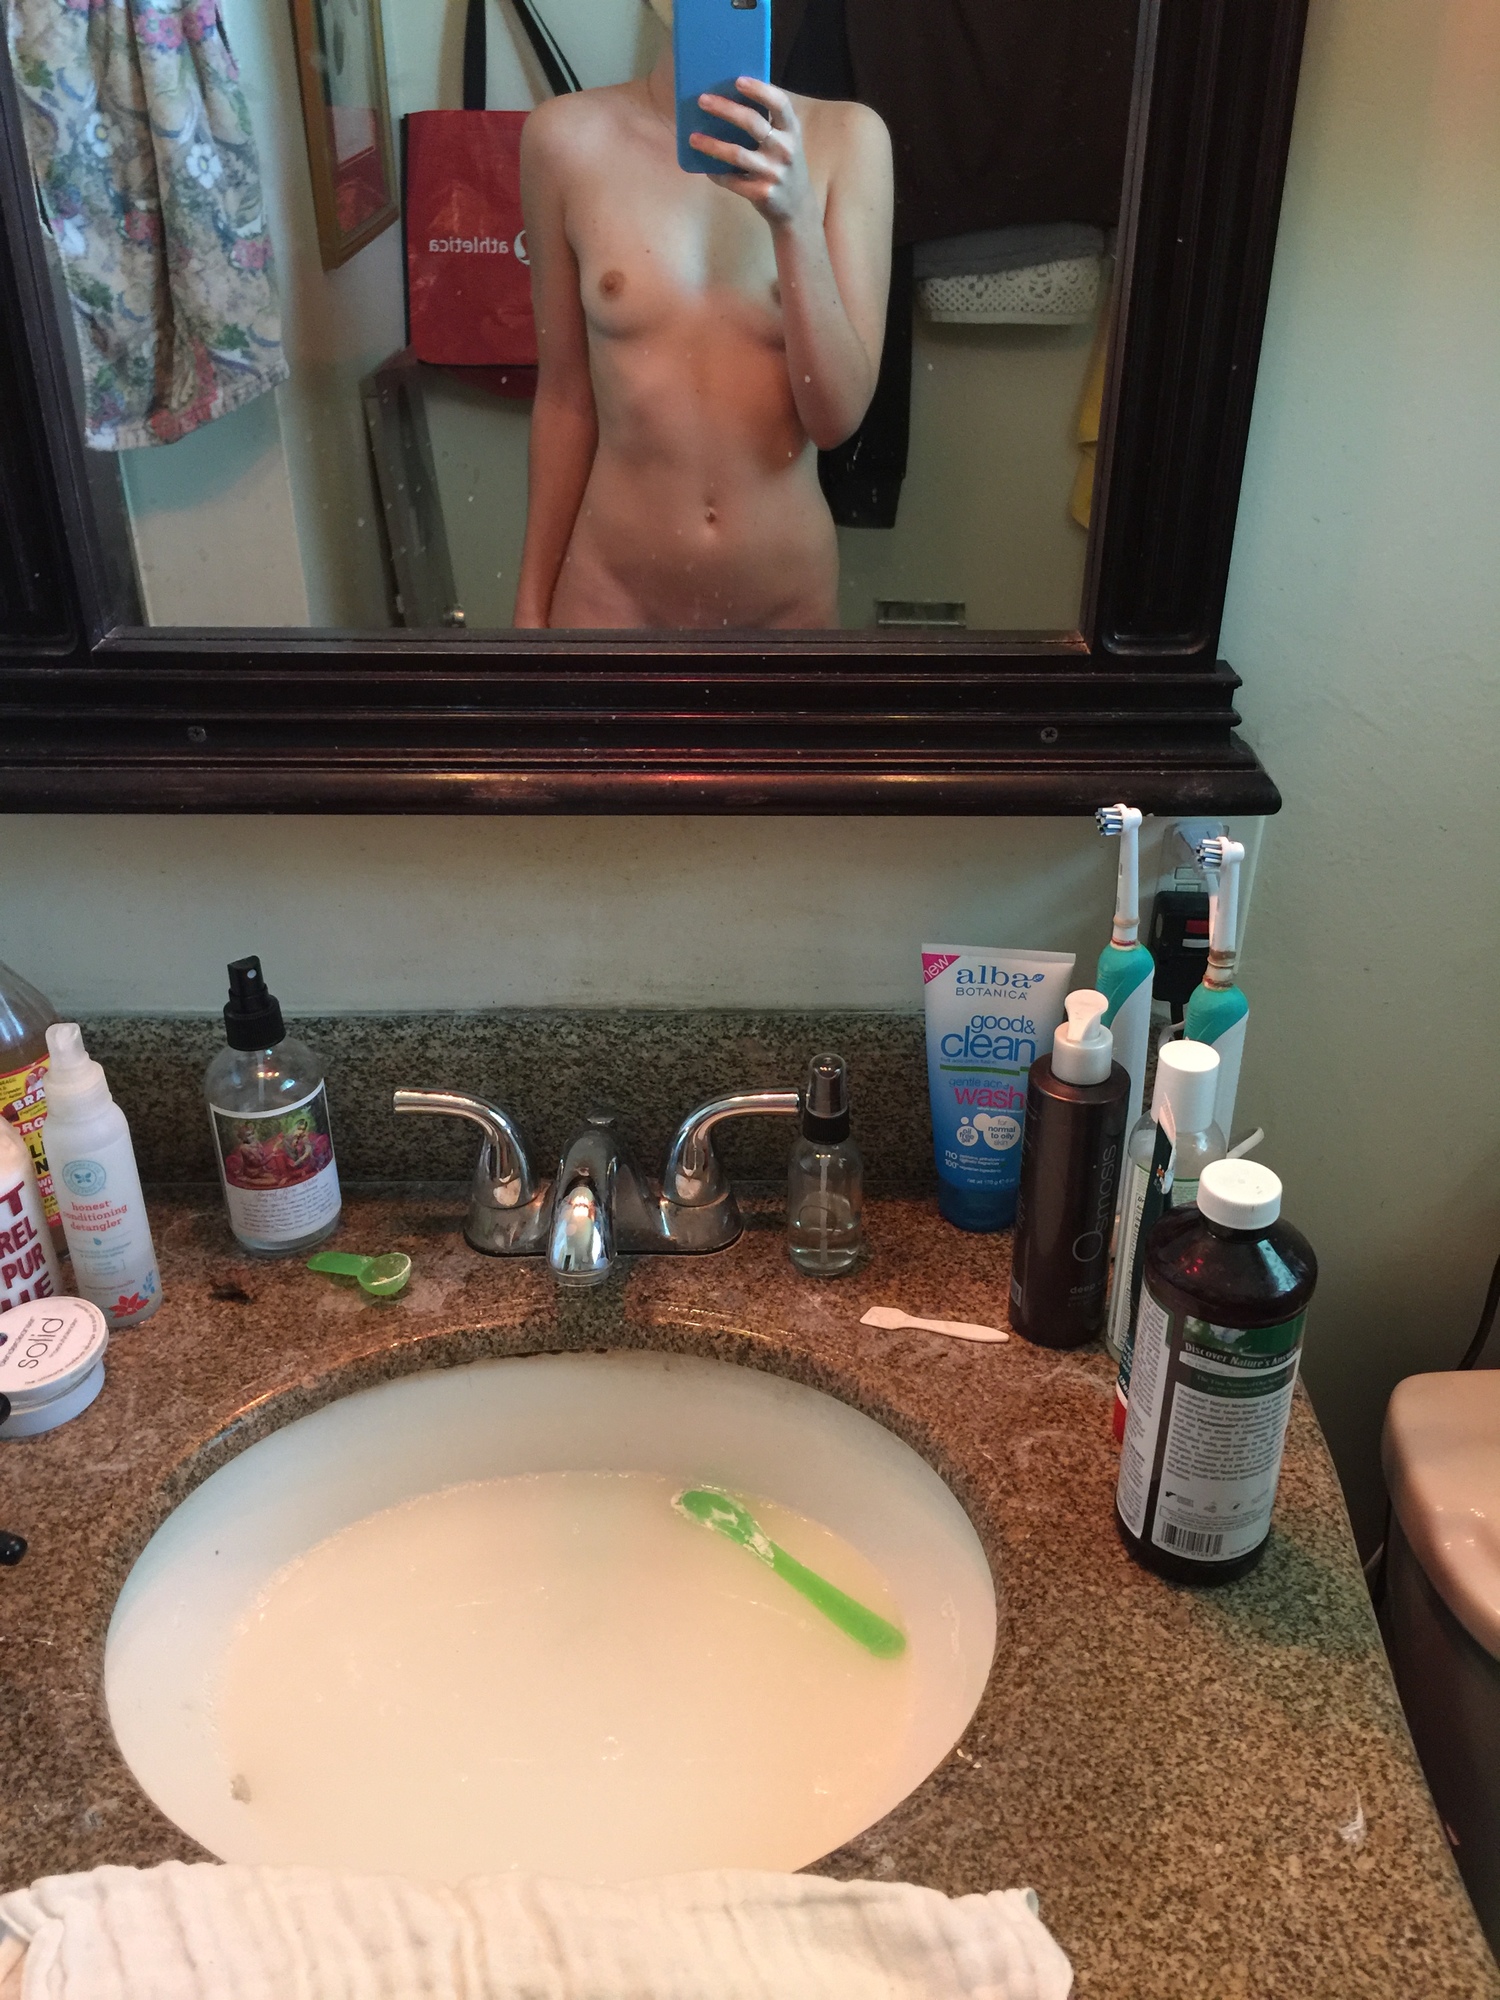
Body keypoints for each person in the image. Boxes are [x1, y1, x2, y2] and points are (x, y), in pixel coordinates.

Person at [513, 0, 893, 631]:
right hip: (610, 598)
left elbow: (835, 422)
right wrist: (529, 613)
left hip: (785, 609)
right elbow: (563, 401)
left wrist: (796, 221)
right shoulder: (562, 140)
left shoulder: (849, 139)